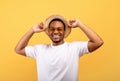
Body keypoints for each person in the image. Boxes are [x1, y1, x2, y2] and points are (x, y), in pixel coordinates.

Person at [15, 14, 104, 81]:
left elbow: (98, 42)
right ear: (48, 31)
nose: (56, 32)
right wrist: (32, 30)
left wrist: (80, 24)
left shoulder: (75, 48)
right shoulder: (39, 49)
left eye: (59, 29)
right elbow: (18, 49)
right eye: (52, 29)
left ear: (64, 31)